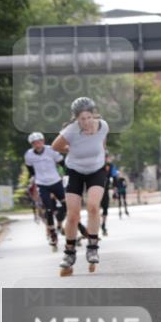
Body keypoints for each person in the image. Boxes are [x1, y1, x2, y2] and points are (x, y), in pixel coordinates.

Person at [51, 97, 109, 276]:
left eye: (89, 117)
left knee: (93, 206)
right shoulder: (70, 130)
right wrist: (70, 149)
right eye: (82, 119)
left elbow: (102, 144)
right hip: (74, 171)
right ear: (76, 119)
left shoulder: (103, 126)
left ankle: (92, 246)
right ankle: (69, 253)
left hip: (96, 170)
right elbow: (55, 146)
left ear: (94, 115)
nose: (86, 122)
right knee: (73, 214)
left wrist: (100, 156)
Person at [23, 132, 68, 248]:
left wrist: (68, 175)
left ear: (43, 141)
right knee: (48, 209)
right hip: (42, 184)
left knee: (66, 205)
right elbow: (30, 169)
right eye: (35, 143)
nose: (38, 144)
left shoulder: (51, 150)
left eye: (40, 141)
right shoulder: (29, 155)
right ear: (32, 144)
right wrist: (33, 178)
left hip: (56, 181)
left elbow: (62, 163)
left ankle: (62, 225)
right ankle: (53, 235)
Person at [99, 160, 113, 236]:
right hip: (99, 193)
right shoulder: (100, 174)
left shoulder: (109, 176)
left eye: (108, 167)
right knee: (96, 210)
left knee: (105, 210)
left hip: (105, 194)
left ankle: (103, 225)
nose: (107, 168)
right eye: (106, 166)